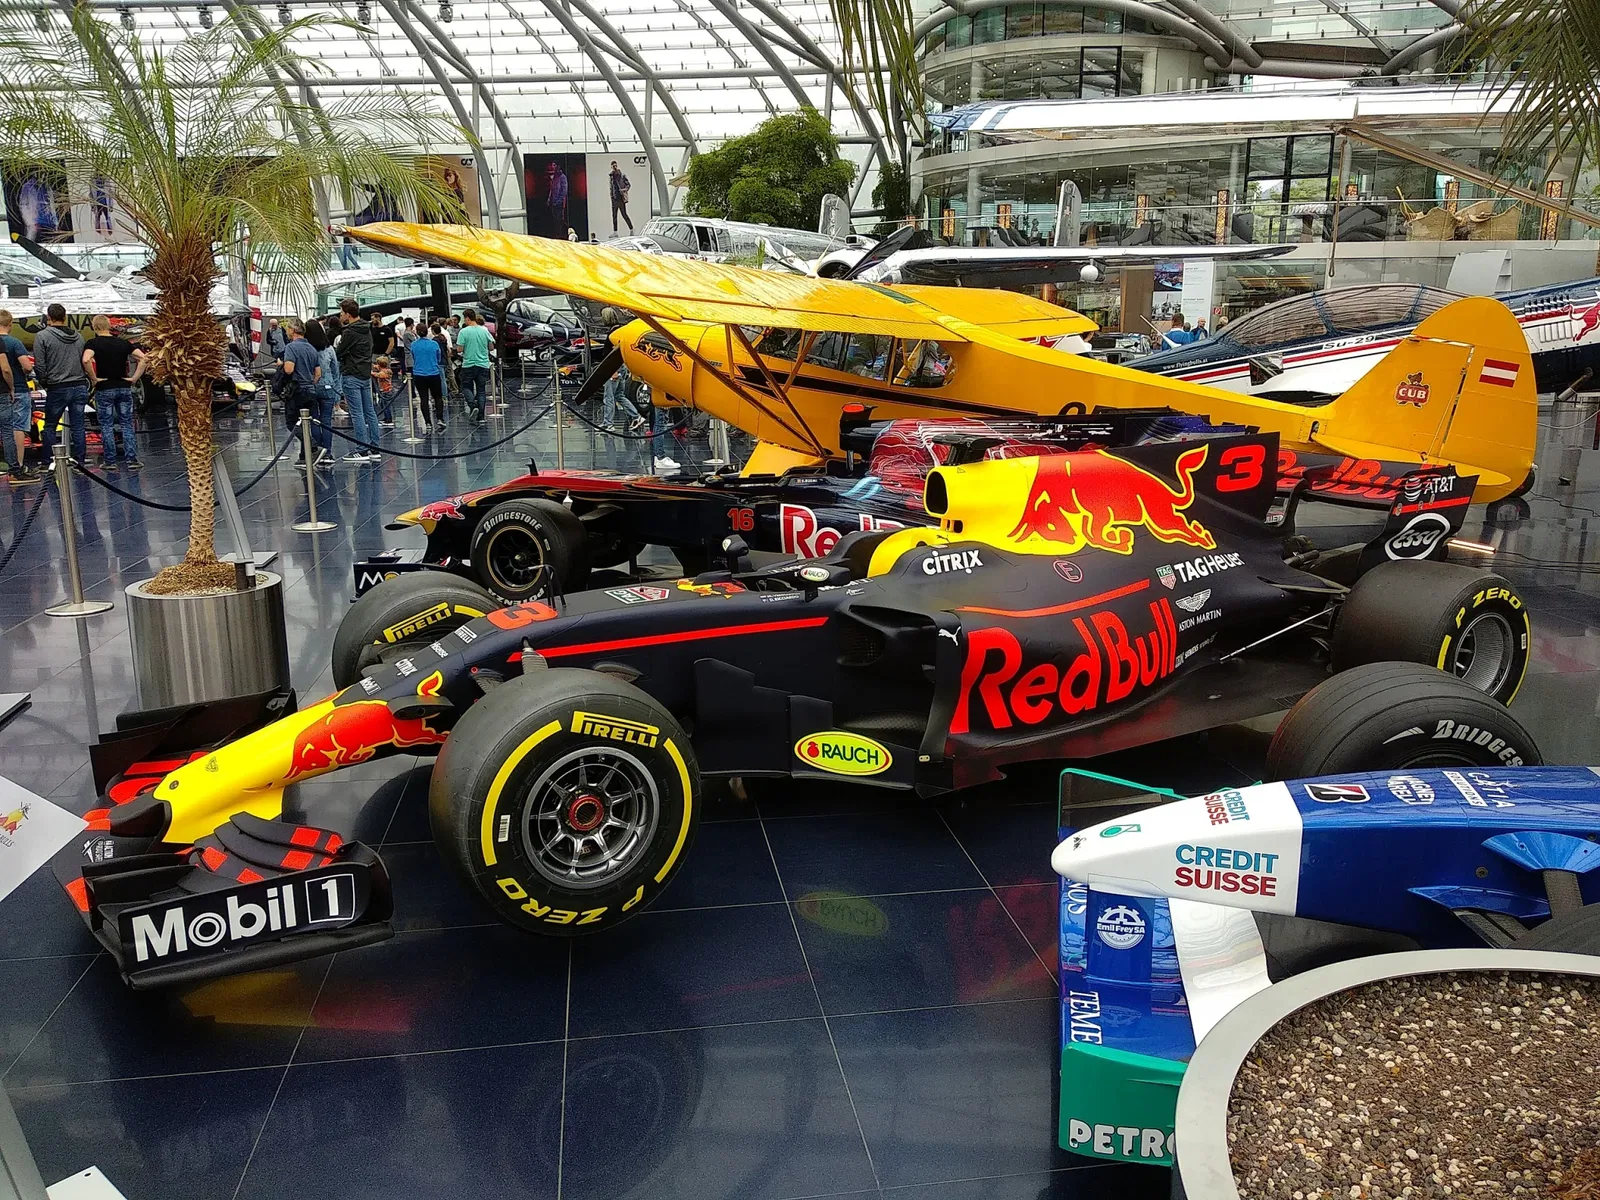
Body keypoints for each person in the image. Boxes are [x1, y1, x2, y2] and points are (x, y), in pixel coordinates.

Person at [34, 303, 93, 465]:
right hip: (79, 385)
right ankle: (80, 461)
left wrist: (44, 382)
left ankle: (49, 461)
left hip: (57, 386)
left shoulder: (42, 336)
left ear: (49, 317)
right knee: (78, 426)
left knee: (50, 426)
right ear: (65, 317)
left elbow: (40, 364)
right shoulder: (78, 336)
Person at [86, 314, 145, 470]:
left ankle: (110, 461)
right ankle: (132, 460)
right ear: (109, 326)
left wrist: (93, 378)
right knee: (127, 424)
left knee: (106, 425)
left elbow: (86, 359)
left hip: (104, 387)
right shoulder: (123, 343)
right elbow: (143, 358)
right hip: (123, 386)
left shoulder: (92, 343)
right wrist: (134, 378)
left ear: (94, 327)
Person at [336, 298, 380, 462]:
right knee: (369, 411)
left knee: (357, 413)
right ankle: (375, 447)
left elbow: (339, 352)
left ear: (348, 314)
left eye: (342, 312)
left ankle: (362, 449)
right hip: (365, 373)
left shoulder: (349, 331)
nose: (340, 315)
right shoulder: (367, 328)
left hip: (351, 374)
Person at [0, 310, 38, 484]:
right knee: (16, 428)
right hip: (15, 389)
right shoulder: (14, 342)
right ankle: (18, 466)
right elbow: (27, 366)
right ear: (10, 324)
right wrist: (13, 384)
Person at [278, 318, 322, 464]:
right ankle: (304, 457)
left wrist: (282, 364)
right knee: (305, 423)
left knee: (292, 423)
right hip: (310, 389)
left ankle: (313, 446)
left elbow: (289, 369)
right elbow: (318, 373)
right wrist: (310, 382)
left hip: (297, 390)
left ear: (292, 330)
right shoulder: (311, 348)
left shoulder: (291, 347)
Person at [303, 319, 338, 467]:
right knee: (326, 421)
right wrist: (336, 389)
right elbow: (335, 369)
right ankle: (328, 452)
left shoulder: (307, 348)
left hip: (311, 386)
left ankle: (317, 451)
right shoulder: (329, 348)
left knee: (314, 420)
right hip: (328, 387)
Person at [456, 308, 492, 422]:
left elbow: (459, 349)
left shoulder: (463, 332)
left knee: (466, 387)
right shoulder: (484, 330)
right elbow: (491, 347)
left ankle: (473, 405)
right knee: (481, 390)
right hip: (483, 363)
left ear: (467, 318)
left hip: (468, 364)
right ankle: (481, 416)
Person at [410, 321, 445, 431]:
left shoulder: (414, 344)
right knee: (438, 397)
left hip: (419, 374)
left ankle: (428, 422)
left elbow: (413, 357)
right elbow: (438, 357)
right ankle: (440, 418)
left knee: (423, 398)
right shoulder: (434, 344)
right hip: (433, 373)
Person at [370, 313, 395, 426]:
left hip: (384, 355)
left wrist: (386, 354)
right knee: (375, 376)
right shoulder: (372, 330)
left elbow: (391, 342)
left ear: (379, 318)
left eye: (374, 318)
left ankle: (385, 390)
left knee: (384, 375)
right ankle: (377, 392)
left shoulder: (387, 330)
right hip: (374, 355)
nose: (372, 320)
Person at [609, 160, 633, 234]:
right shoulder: (611, 176)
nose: (615, 167)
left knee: (624, 214)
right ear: (611, 167)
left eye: (616, 166)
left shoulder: (622, 175)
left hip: (621, 198)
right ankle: (615, 232)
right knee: (614, 216)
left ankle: (631, 229)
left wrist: (623, 190)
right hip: (614, 199)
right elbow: (611, 187)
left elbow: (628, 185)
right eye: (613, 166)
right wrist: (611, 196)